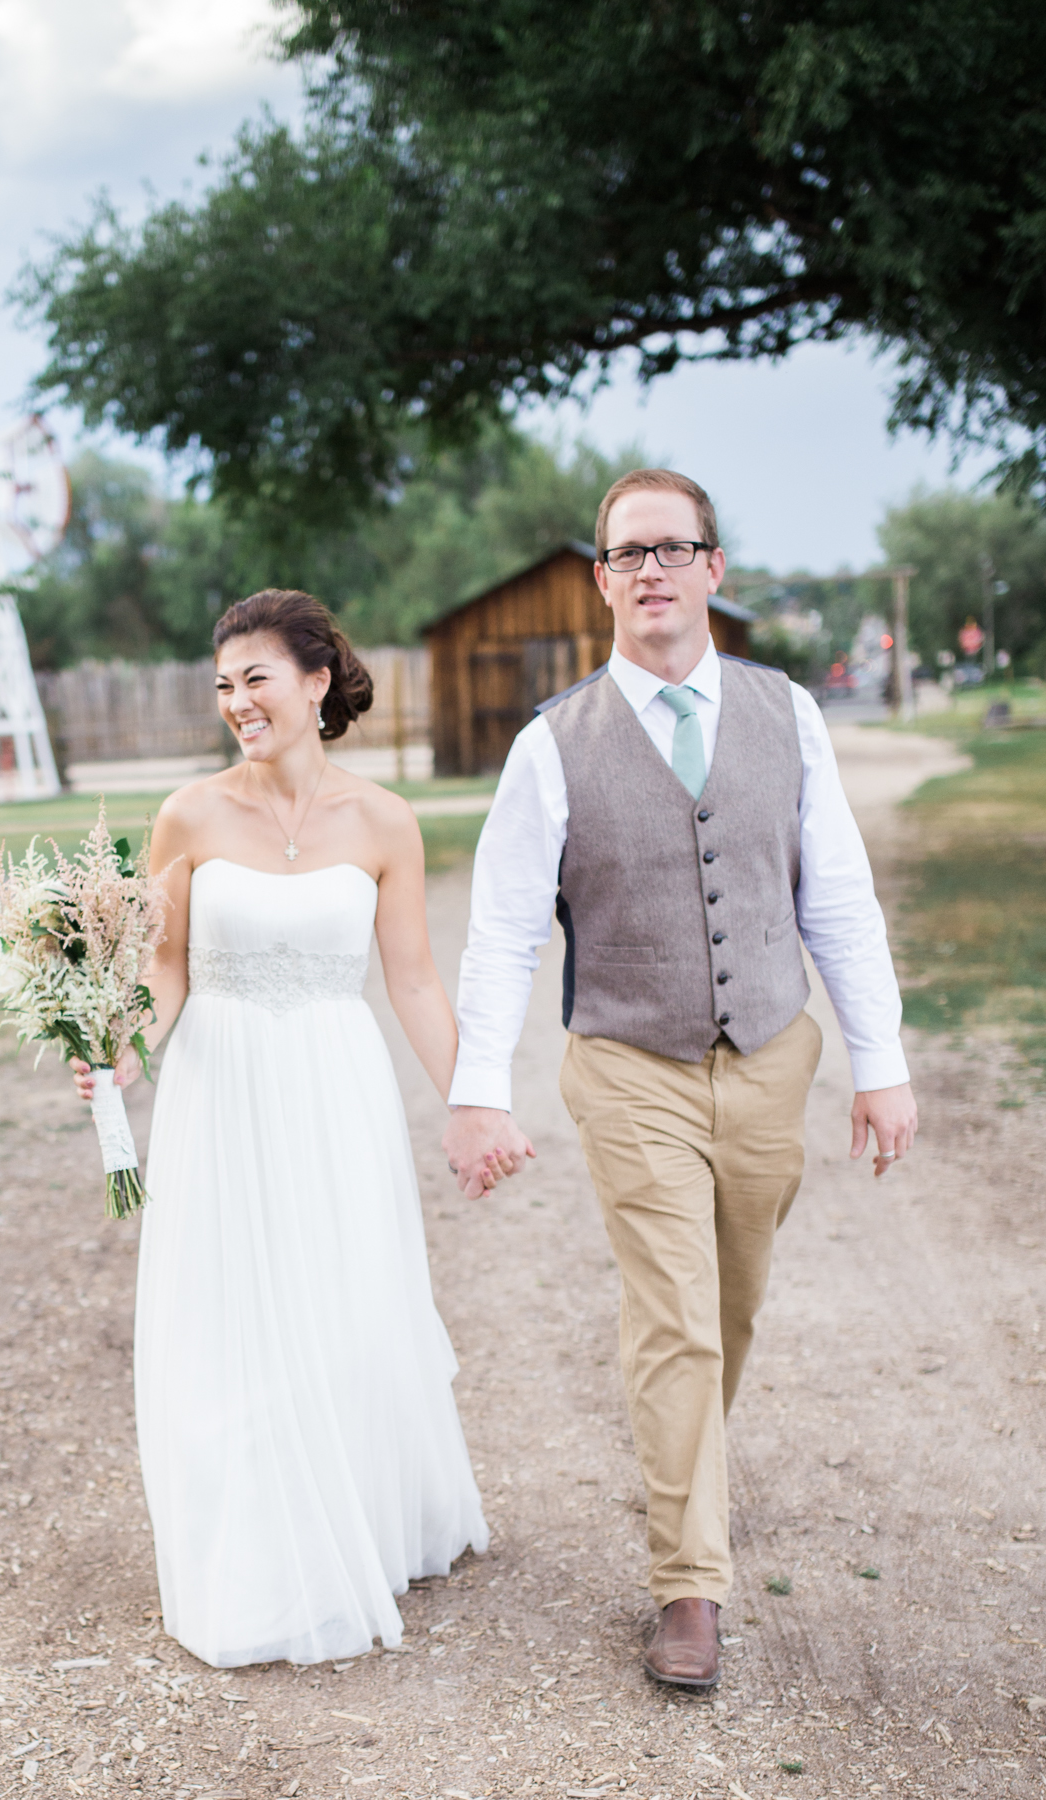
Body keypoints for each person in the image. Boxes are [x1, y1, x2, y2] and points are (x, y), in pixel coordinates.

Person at [442, 469, 917, 1691]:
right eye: (628, 554)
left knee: (733, 1308)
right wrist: (478, 1088)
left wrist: (882, 1063)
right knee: (674, 1317)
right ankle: (687, 1585)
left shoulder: (787, 713)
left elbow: (840, 901)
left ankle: (687, 1479)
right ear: (602, 581)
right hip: (627, 1065)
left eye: (675, 547)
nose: (651, 569)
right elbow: (500, 932)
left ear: (714, 569)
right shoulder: (550, 745)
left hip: (769, 1057)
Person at [71, 589, 488, 1669]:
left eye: (254, 677)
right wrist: (126, 1048)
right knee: (234, 1311)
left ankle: (356, 1514)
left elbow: (414, 984)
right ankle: (259, 1554)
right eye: (222, 685)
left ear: (315, 679)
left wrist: (473, 1101)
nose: (236, 702)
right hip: (222, 1085)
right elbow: (162, 973)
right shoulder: (190, 816)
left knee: (342, 1300)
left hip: (336, 1088)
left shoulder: (386, 821)